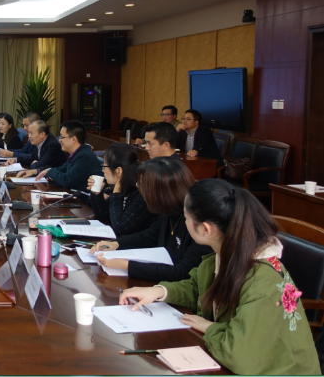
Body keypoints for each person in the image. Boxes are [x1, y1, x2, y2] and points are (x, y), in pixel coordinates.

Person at [119, 180, 319, 375]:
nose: (184, 223)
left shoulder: (261, 282)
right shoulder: (230, 251)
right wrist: (159, 291)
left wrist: (210, 327)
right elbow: (198, 287)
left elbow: (240, 357)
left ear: (206, 229)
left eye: (186, 218)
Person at [91, 158, 212, 282]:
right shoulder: (170, 211)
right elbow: (147, 237)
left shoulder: (197, 222)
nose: (140, 191)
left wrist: (126, 265)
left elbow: (181, 272)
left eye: (142, 185)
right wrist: (115, 244)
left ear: (160, 191)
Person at [82, 143, 156, 237]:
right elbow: (103, 215)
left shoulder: (141, 194)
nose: (103, 170)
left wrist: (116, 193)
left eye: (105, 166)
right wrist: (97, 194)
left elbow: (120, 227)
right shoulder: (125, 187)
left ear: (118, 171)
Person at [16, 120, 101, 192]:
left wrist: (49, 171)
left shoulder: (84, 156)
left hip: (84, 202)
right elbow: (61, 169)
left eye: (62, 137)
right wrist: (36, 171)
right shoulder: (76, 153)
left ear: (74, 139)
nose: (59, 140)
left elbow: (66, 180)